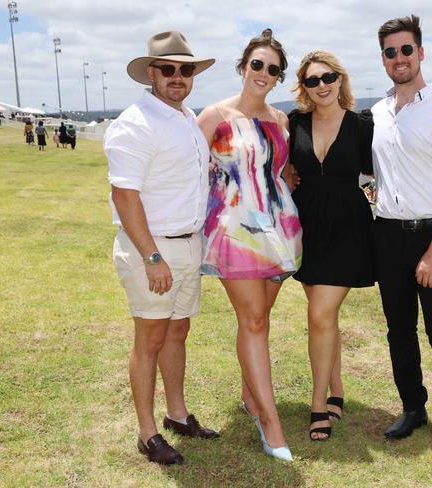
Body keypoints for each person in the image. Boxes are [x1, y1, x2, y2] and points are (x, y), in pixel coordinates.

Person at [104, 30, 219, 466]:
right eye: (168, 69)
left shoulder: (187, 117)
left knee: (178, 331)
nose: (177, 77)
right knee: (149, 339)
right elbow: (124, 195)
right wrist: (152, 257)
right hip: (151, 251)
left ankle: (177, 415)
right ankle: (147, 433)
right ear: (150, 73)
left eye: (185, 69)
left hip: (188, 245)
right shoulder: (135, 123)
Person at [197, 29, 300, 462]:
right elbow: (192, 170)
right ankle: (269, 422)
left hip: (279, 230)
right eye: (257, 64)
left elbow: (280, 171)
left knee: (258, 320)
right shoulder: (212, 116)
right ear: (243, 67)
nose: (263, 73)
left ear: (279, 78)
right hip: (232, 230)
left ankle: (249, 396)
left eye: (273, 69)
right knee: (254, 320)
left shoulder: (282, 121)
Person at [371, 15, 432, 452]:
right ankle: (413, 408)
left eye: (406, 49)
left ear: (421, 53)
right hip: (387, 236)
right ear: (384, 59)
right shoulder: (377, 112)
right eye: (391, 52)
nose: (399, 58)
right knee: (399, 330)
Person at [287, 51, 375, 441]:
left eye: (328, 77)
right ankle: (337, 387)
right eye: (312, 80)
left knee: (320, 315)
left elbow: (388, 168)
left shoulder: (362, 125)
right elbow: (275, 160)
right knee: (323, 317)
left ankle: (318, 404)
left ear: (341, 80)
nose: (321, 85)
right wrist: (286, 172)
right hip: (305, 228)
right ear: (303, 87)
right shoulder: (293, 123)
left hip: (347, 228)